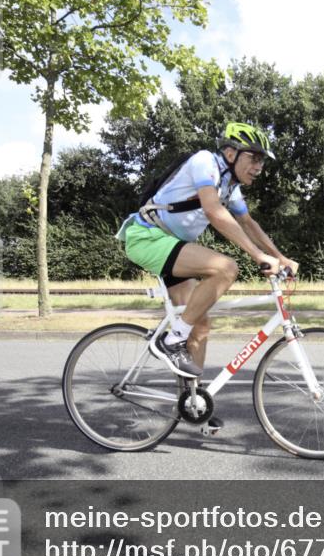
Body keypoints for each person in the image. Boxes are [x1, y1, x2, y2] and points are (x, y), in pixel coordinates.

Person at [118, 122, 299, 378]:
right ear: (230, 153)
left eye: (262, 161)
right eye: (254, 158)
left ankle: (193, 406)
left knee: (199, 324)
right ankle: (171, 341)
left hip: (171, 246)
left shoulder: (229, 186)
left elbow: (248, 223)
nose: (259, 167)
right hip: (148, 238)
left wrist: (280, 257)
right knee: (226, 268)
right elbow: (214, 211)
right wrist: (258, 256)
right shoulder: (204, 162)